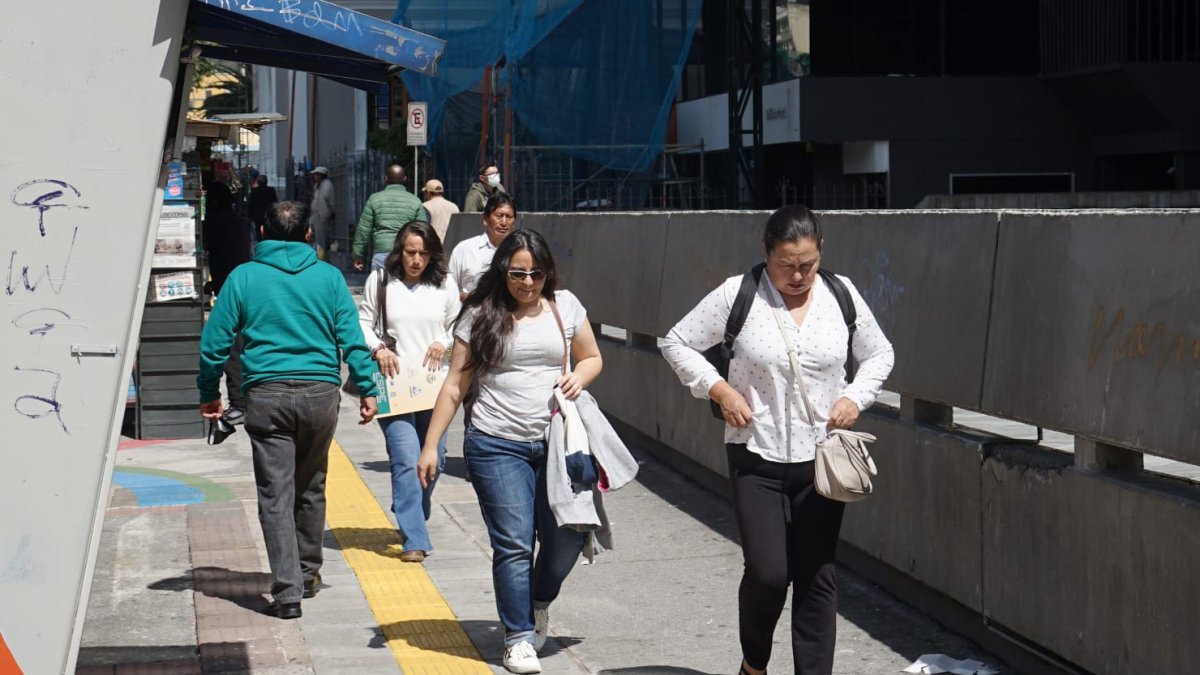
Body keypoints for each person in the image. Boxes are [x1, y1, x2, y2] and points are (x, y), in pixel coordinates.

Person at [659, 206, 894, 675]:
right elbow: (676, 341)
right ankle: (754, 663)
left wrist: (854, 397)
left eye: (807, 262)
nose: (798, 274)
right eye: (786, 263)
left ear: (820, 250)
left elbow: (879, 353)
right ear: (767, 254)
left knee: (818, 575)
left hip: (822, 460)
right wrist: (719, 389)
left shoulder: (840, 294)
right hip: (755, 453)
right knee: (769, 575)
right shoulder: (739, 294)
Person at [416, 229, 602, 674]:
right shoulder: (480, 314)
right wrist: (430, 446)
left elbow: (592, 356)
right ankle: (517, 636)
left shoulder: (565, 306)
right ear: (503, 271)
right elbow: (456, 384)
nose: (528, 282)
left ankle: (538, 601)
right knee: (514, 543)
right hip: (496, 443)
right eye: (518, 273)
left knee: (566, 538)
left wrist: (580, 376)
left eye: (536, 273)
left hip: (558, 443)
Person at [197, 201, 380, 621]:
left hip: (266, 396)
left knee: (274, 493)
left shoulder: (242, 277)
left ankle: (287, 591)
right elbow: (352, 339)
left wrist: (210, 393)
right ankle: (308, 571)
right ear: (309, 235)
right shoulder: (330, 278)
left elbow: (215, 346)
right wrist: (368, 388)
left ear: (261, 231)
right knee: (311, 483)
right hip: (321, 395)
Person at [357, 220, 461, 563]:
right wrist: (378, 350)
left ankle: (412, 503)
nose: (416, 260)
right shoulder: (381, 281)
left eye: (423, 254)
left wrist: (442, 342)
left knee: (436, 458)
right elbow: (363, 322)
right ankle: (415, 538)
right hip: (395, 383)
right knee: (404, 459)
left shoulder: (445, 283)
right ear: (400, 251)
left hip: (436, 386)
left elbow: (459, 326)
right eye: (410, 252)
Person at [201, 181, 254, 424]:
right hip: (243, 284)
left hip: (228, 287)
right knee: (243, 343)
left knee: (232, 346)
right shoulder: (240, 222)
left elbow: (212, 350)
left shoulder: (213, 222)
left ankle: (240, 403)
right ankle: (246, 400)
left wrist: (208, 391)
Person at [352, 164, 428, 272]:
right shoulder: (415, 201)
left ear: (385, 179)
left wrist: (358, 254)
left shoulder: (374, 199)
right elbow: (422, 230)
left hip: (381, 252)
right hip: (405, 253)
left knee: (380, 287)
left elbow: (363, 229)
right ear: (405, 179)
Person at [448, 193, 515, 301]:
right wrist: (472, 298)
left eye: (509, 217)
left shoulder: (518, 252)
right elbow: (450, 290)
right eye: (499, 216)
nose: (504, 222)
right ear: (485, 220)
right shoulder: (464, 249)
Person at [308, 166, 335, 258]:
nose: (314, 176)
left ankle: (321, 256)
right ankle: (316, 252)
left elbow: (330, 200)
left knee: (321, 237)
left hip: (323, 214)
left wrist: (331, 212)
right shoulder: (317, 185)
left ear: (321, 175)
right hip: (315, 214)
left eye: (316, 174)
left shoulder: (327, 185)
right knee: (312, 233)